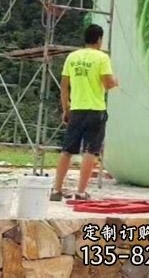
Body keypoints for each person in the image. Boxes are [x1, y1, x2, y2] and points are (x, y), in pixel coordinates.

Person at [51, 24, 118, 201]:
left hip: (77, 109)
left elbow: (64, 86)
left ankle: (56, 190)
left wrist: (65, 108)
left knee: (67, 150)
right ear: (99, 39)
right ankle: (81, 192)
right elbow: (108, 83)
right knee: (91, 151)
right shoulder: (102, 58)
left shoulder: (72, 57)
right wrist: (116, 81)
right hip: (95, 110)